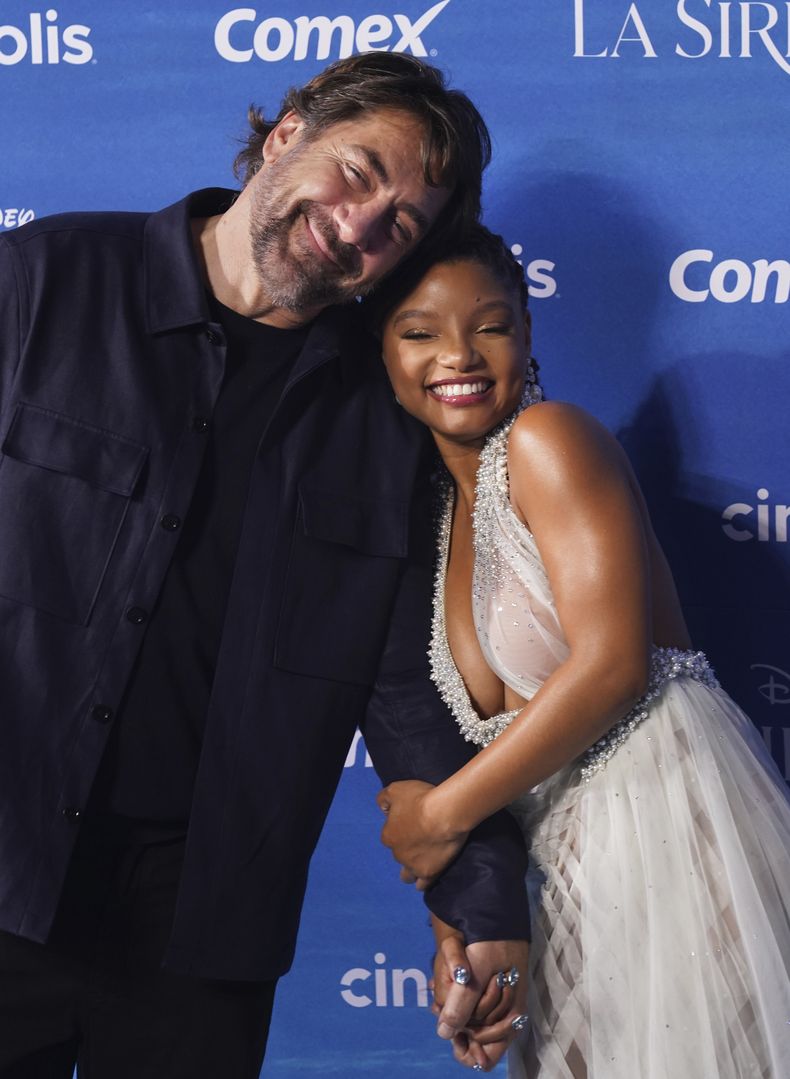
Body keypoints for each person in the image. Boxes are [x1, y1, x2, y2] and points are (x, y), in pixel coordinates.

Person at [0, 57, 532, 1078]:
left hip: (202, 924)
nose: (361, 224)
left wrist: (478, 896)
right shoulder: (45, 279)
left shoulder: (381, 416)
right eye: (358, 171)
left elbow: (400, 670)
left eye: (403, 225)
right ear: (286, 134)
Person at [373, 225, 790, 1076]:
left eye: (489, 325)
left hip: (671, 824)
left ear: (527, 333)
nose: (459, 354)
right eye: (419, 331)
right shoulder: (428, 520)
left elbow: (611, 666)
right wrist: (461, 930)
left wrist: (440, 818)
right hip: (562, 875)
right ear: (379, 351)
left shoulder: (551, 439)